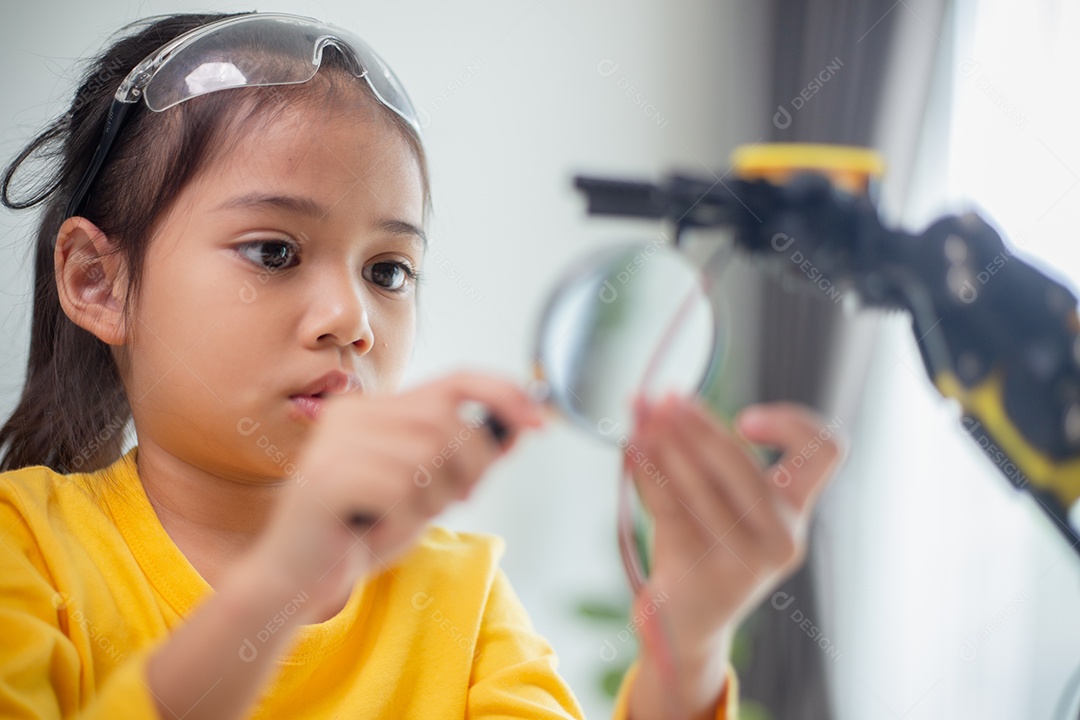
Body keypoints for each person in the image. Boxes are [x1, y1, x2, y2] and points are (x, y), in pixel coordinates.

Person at [0, 11, 845, 720]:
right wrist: (279, 587)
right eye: (274, 251)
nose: (352, 321)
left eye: (388, 271)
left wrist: (685, 651)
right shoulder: (25, 550)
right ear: (98, 282)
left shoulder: (462, 597)